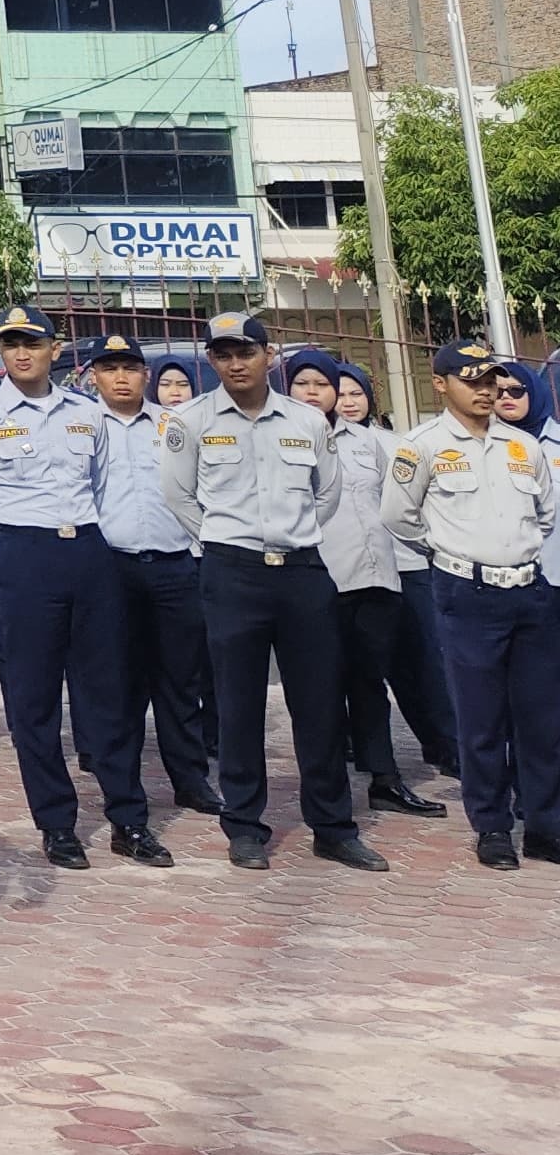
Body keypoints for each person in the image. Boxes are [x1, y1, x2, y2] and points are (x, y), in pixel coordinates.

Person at [159, 309, 374, 874]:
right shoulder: (191, 421)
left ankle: (333, 827)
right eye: (224, 354)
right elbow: (180, 497)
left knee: (320, 704)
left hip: (302, 571)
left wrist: (292, 538)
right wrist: (222, 544)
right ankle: (246, 826)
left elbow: (325, 495)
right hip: (232, 572)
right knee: (238, 703)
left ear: (268, 356)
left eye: (246, 352)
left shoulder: (306, 421)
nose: (236, 363)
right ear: (211, 361)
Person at [0, 305, 160, 869]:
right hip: (24, 554)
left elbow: (98, 482)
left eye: (32, 343)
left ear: (53, 349)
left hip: (88, 552)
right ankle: (57, 825)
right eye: (10, 344)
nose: (21, 353)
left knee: (108, 695)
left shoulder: (87, 412)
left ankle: (128, 819)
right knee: (34, 701)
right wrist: (11, 556)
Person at [385, 336, 560, 869]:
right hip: (468, 590)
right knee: (482, 718)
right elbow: (399, 517)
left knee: (542, 719)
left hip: (530, 590)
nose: (486, 391)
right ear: (440, 385)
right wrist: (450, 553)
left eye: (491, 381)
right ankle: (492, 827)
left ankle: (546, 827)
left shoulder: (522, 446)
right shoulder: (422, 446)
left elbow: (546, 514)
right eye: (472, 381)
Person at [285, 350, 445, 821]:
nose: (313, 392)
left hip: (375, 577)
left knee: (371, 684)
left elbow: (399, 502)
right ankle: (329, 793)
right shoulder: (283, 436)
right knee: (321, 689)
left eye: (323, 383)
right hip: (317, 578)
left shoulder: (367, 441)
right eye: (303, 383)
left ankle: (385, 779)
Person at [85, 331, 221, 824]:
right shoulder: (84, 426)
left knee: (180, 680)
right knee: (118, 684)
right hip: (111, 568)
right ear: (94, 375)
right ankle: (122, 786)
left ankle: (191, 780)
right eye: (109, 368)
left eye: (129, 368)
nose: (120, 377)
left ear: (146, 374)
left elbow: (202, 487)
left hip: (173, 564)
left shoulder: (172, 425)